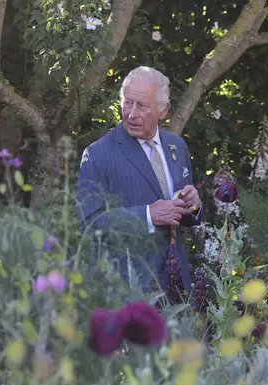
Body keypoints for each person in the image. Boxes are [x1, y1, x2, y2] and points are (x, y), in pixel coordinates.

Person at [76, 66, 201, 293]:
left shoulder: (177, 146)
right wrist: (147, 215)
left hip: (177, 286)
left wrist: (193, 205)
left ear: (163, 111)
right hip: (127, 288)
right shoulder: (98, 154)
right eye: (127, 103)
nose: (131, 114)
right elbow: (88, 224)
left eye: (142, 106)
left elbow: (181, 212)